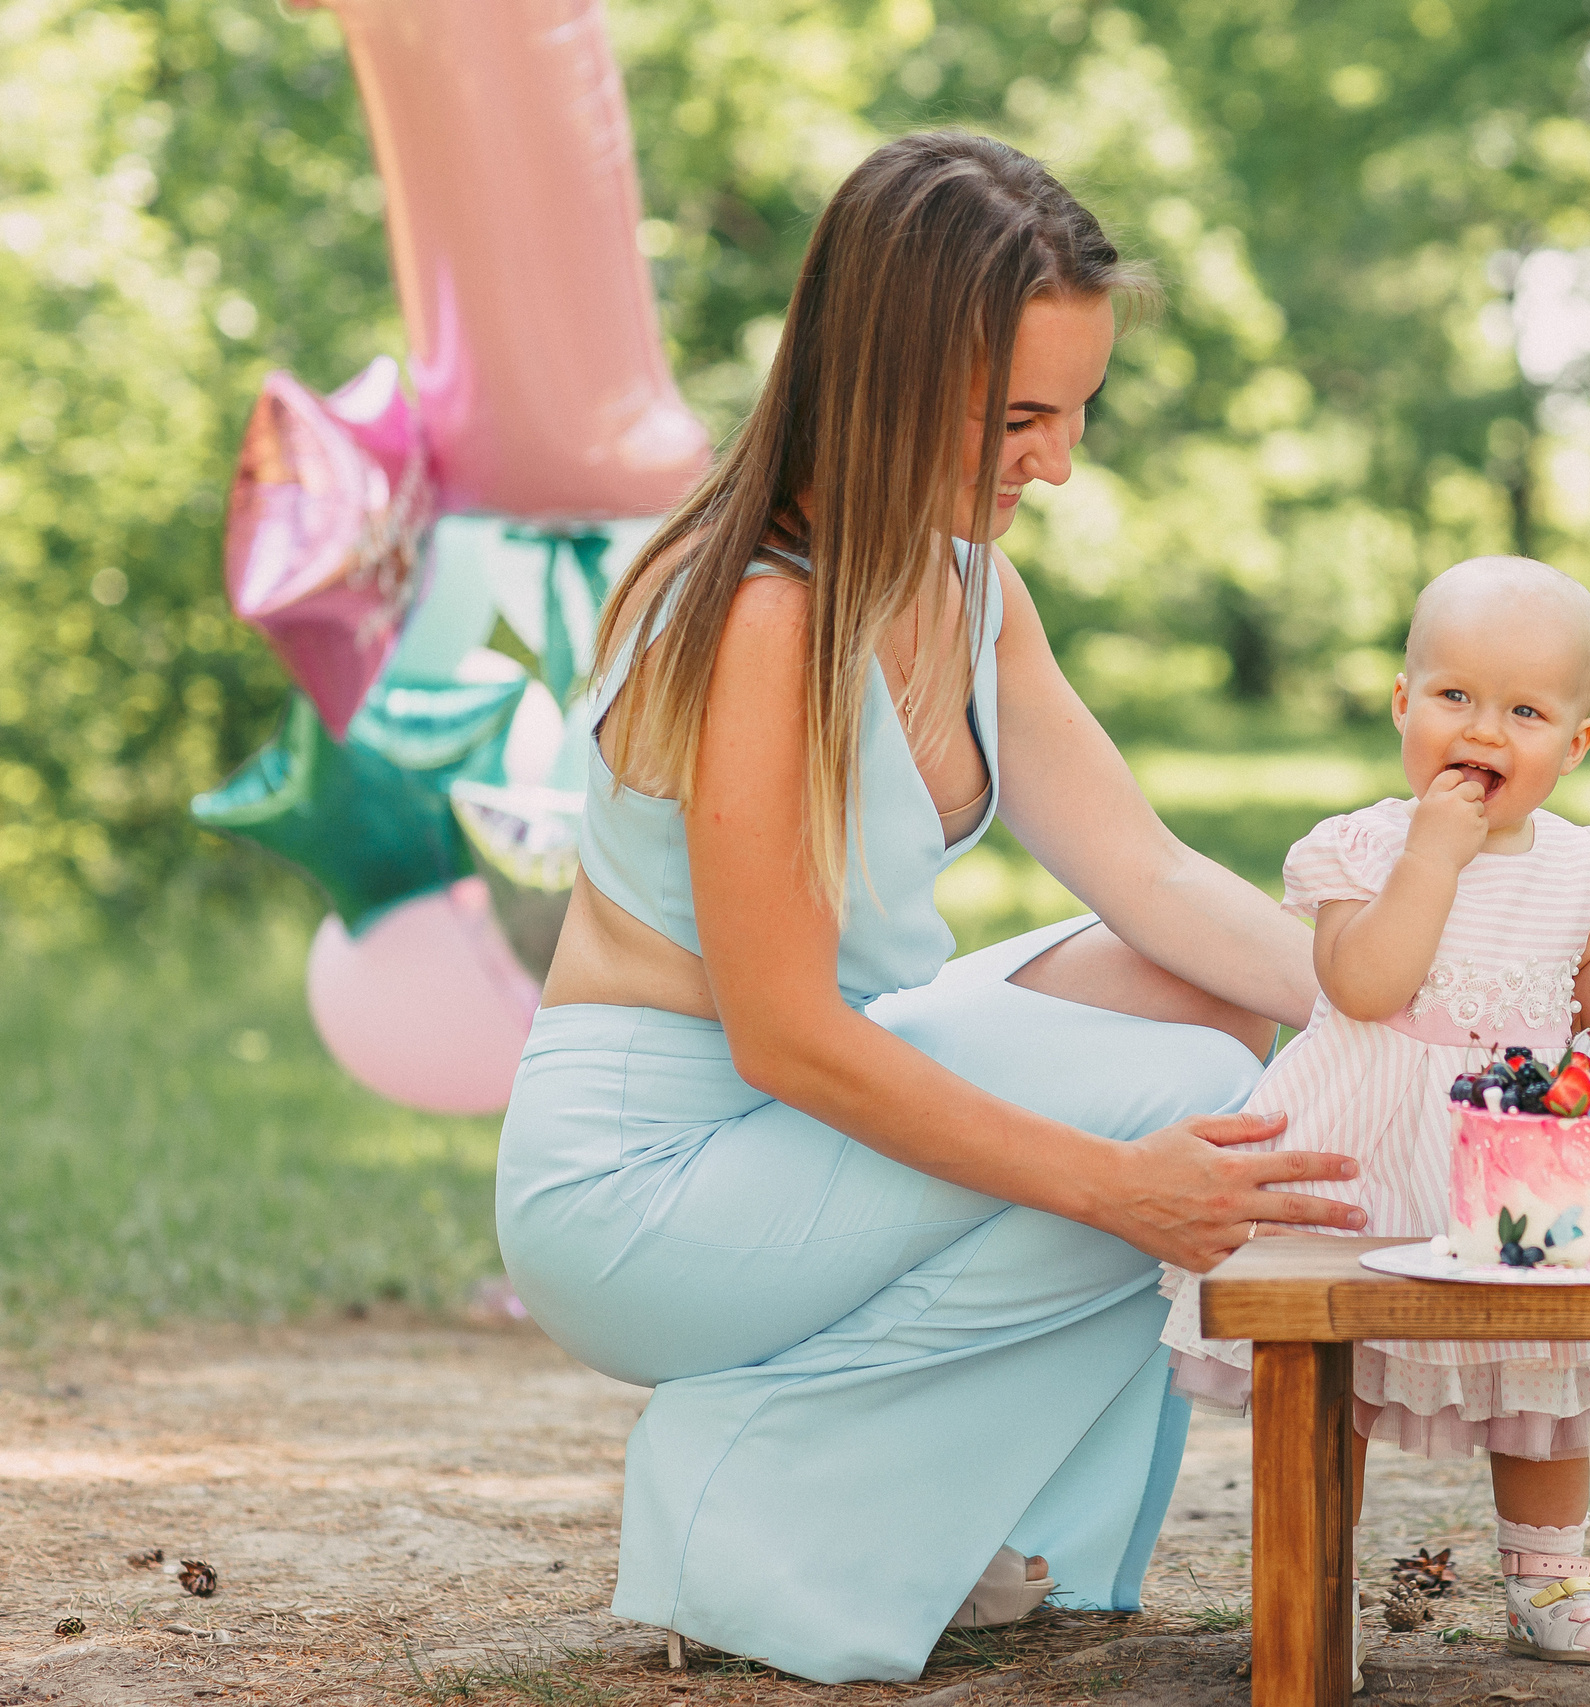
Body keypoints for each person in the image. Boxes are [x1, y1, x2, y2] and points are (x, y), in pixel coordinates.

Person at [494, 131, 1366, 1685]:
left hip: (811, 1107)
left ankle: (911, 1505)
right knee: (1183, 1109)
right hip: (651, 1185)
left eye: (1080, 410)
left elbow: (1154, 878)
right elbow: (785, 1037)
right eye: (1022, 416)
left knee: (1210, 1008)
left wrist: (1426, 998)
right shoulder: (754, 613)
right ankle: (758, 1484)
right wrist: (1117, 1187)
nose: (1060, 461)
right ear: (889, 378)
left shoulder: (969, 589)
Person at [1159, 556, 1590, 1672]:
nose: (1484, 730)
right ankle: (1317, 1581)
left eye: (1525, 711)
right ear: (1402, 703)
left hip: (1518, 1151)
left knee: (1544, 1365)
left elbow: (1575, 994)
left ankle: (1549, 1574)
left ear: (1577, 743)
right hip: (1370, 1134)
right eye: (1455, 697)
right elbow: (1364, 987)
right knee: (1335, 1370)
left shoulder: (1575, 861)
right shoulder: (1358, 847)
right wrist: (1431, 856)